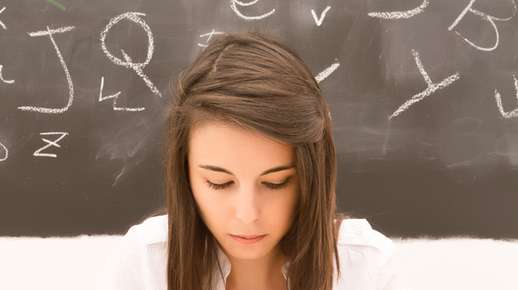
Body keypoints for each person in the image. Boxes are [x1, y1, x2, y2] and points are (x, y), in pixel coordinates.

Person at [94, 31, 406, 290]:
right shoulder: (147, 262)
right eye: (219, 183)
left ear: (312, 175)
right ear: (185, 173)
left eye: (275, 182)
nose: (247, 215)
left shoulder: (365, 267)